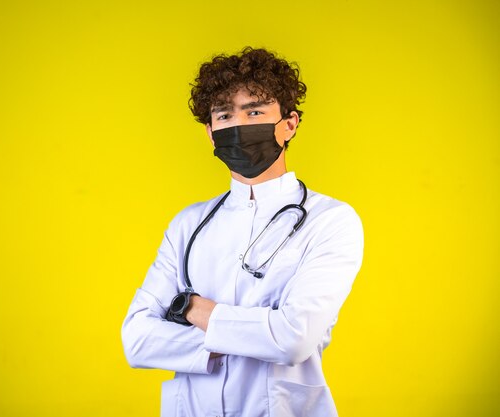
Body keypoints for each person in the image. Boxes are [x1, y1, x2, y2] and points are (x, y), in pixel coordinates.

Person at [121, 46, 364, 417]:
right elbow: (137, 341)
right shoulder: (188, 224)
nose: (238, 126)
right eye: (224, 114)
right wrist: (249, 331)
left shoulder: (329, 220)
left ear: (289, 123)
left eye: (254, 111)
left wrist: (189, 307)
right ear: (211, 132)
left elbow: (293, 339)